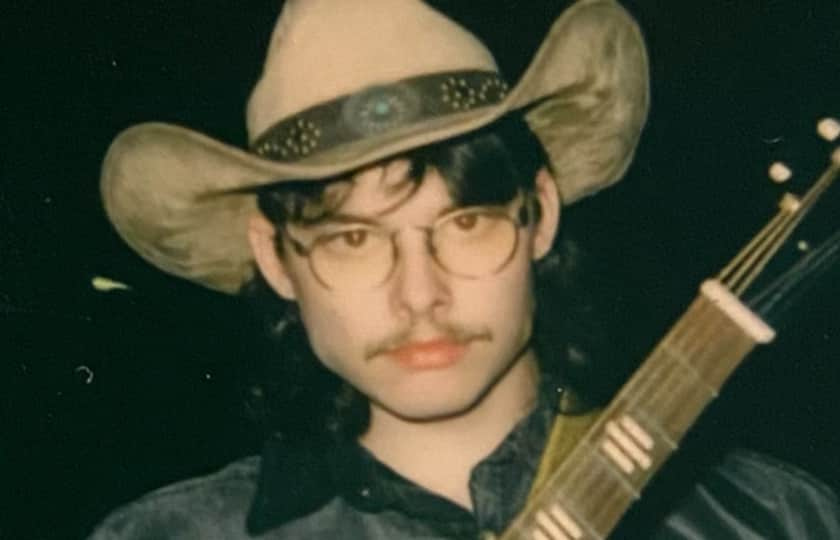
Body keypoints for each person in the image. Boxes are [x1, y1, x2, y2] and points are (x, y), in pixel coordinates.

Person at [89, 0, 840, 538]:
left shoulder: (774, 519)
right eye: (353, 240)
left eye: (467, 224)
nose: (420, 295)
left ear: (541, 215)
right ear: (275, 260)